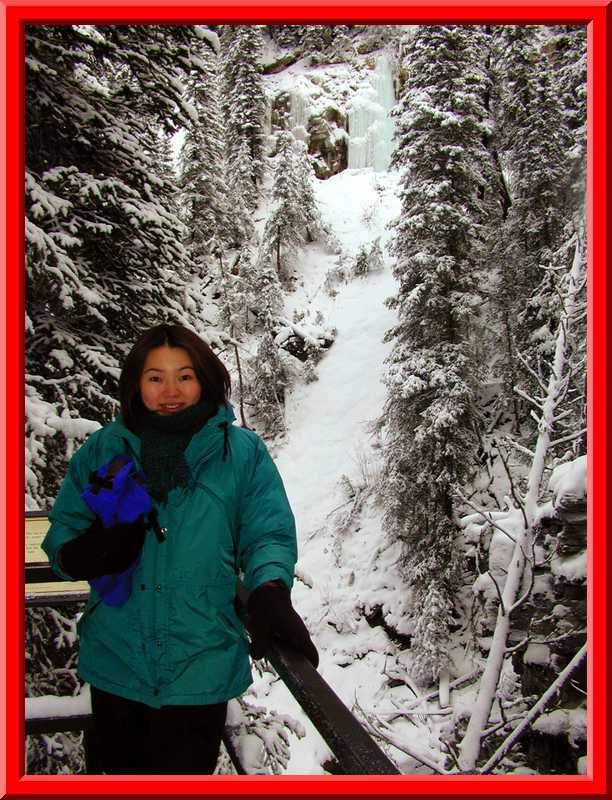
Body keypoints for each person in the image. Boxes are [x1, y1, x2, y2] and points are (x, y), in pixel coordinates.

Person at [42, 323, 318, 775]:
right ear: (136, 383)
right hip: (116, 663)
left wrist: (270, 588)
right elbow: (65, 530)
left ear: (205, 378)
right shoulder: (108, 450)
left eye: (184, 376)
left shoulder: (239, 452)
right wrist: (83, 553)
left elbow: (266, 531)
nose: (170, 390)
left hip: (200, 666)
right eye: (155, 377)